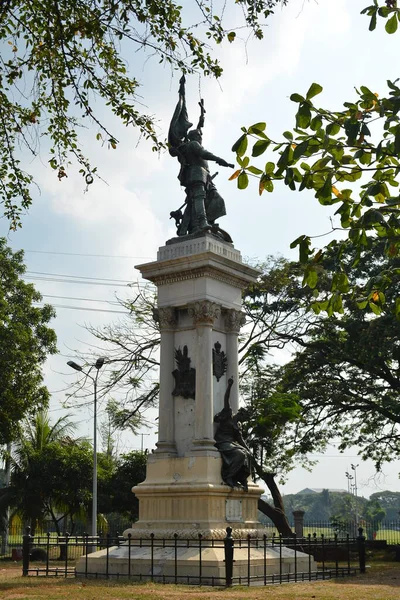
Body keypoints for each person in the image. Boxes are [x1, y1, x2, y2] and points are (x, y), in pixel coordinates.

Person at [169, 76, 234, 238]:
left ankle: (191, 227)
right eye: (199, 134)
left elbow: (199, 130)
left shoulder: (192, 143)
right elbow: (205, 154)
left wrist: (201, 118)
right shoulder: (192, 145)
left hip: (205, 176)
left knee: (210, 198)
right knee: (199, 198)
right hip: (196, 174)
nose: (201, 136)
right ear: (194, 137)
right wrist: (220, 160)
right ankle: (203, 222)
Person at [214, 377, 251, 491]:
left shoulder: (238, 425)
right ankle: (229, 476)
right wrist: (229, 386)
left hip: (231, 443)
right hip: (222, 441)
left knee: (247, 454)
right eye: (244, 417)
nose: (244, 420)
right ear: (240, 414)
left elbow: (240, 440)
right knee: (240, 454)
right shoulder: (228, 414)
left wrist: (248, 449)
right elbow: (226, 398)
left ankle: (241, 478)